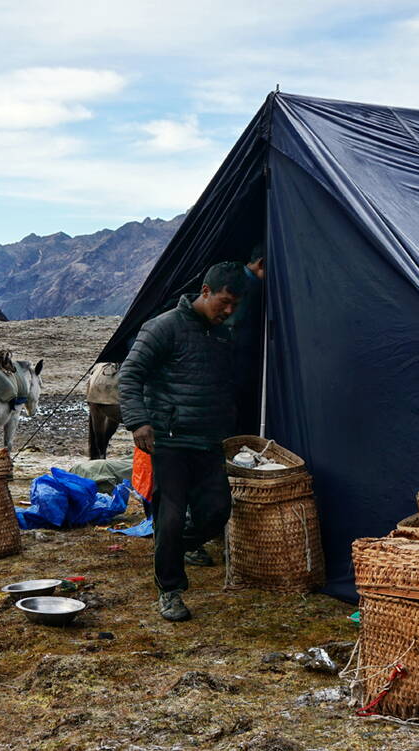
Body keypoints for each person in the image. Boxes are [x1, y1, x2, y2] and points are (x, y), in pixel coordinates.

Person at [118, 261, 250, 621]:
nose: (228, 311)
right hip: (170, 441)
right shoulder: (164, 328)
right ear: (205, 292)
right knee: (171, 517)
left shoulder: (224, 334)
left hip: (209, 441)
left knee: (217, 512)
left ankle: (175, 549)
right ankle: (170, 590)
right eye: (224, 302)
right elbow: (129, 376)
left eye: (235, 305)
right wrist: (139, 422)